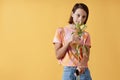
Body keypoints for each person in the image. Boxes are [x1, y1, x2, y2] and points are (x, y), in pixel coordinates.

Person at [53, 3, 92, 80]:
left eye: (84, 17)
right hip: (68, 71)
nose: (80, 19)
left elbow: (86, 56)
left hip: (83, 70)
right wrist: (69, 41)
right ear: (72, 14)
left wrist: (80, 67)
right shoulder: (61, 31)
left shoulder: (86, 35)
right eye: (78, 15)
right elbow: (58, 55)